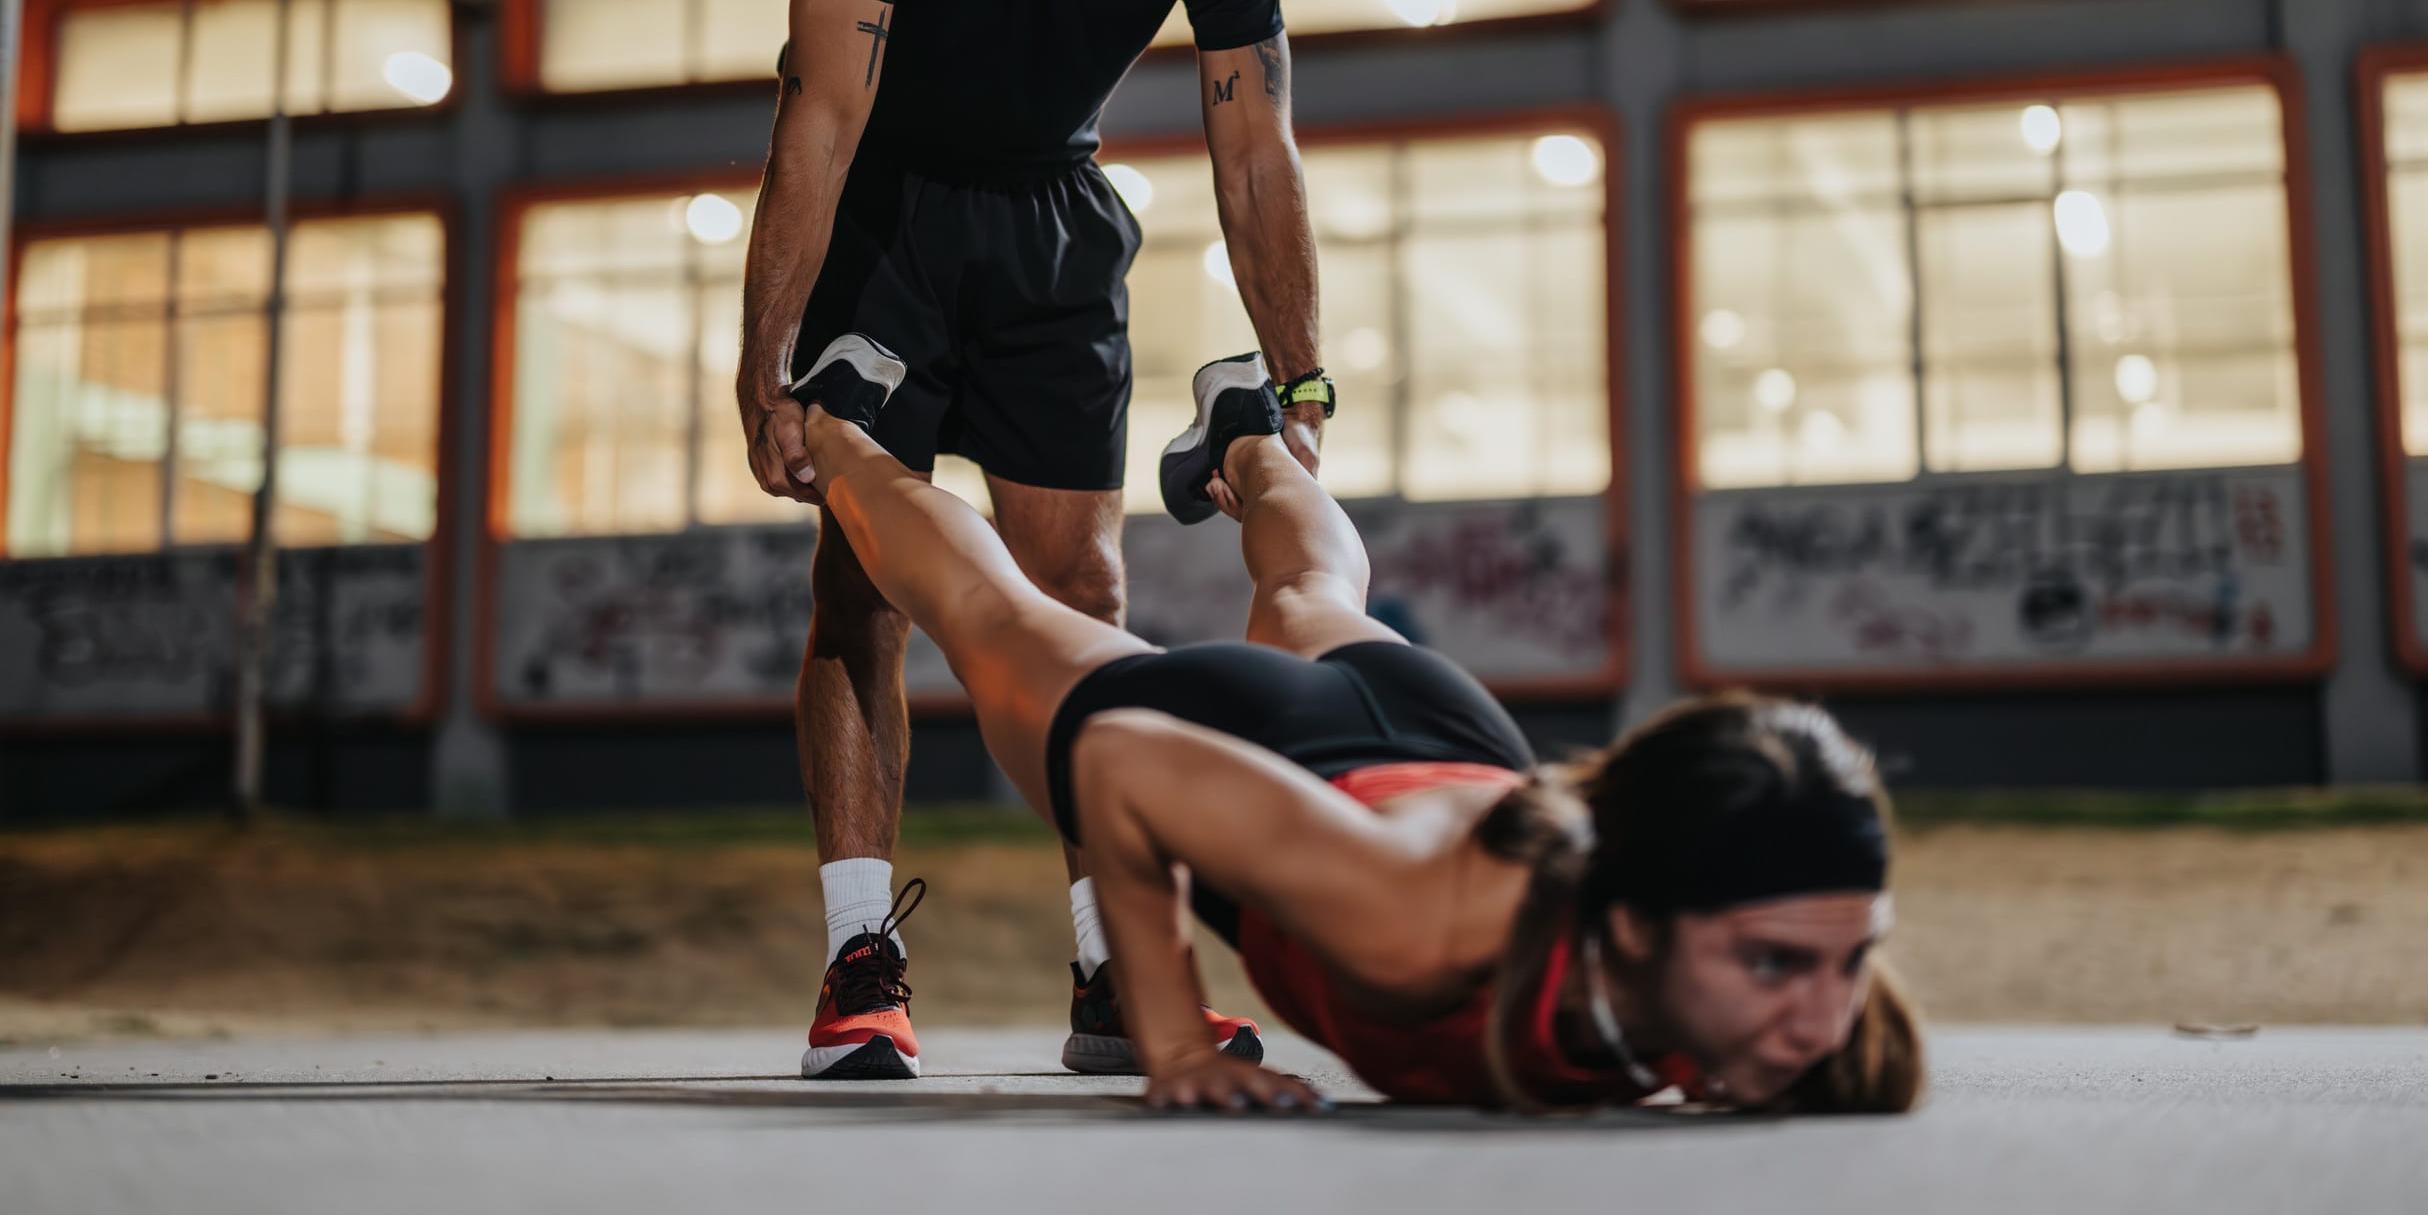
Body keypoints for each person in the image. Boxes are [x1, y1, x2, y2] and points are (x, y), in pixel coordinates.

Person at [736, 0, 1332, 1081]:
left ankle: (1105, 974)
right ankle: (862, 961)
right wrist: (765, 349)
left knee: (1081, 589)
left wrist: (1304, 370)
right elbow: (820, 111)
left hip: (1054, 222)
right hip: (888, 218)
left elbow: (1254, 144)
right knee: (866, 587)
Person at [782, 334, 1928, 1113]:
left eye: (1851, 956)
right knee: (998, 619)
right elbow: (1125, 763)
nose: (1824, 1014)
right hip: (1267, 752)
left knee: (1313, 602)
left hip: (1449, 740)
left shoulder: (1806, 1012)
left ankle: (1247, 433)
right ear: (1629, 927)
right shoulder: (1409, 925)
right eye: (1777, 964)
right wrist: (1174, 1043)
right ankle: (835, 420)